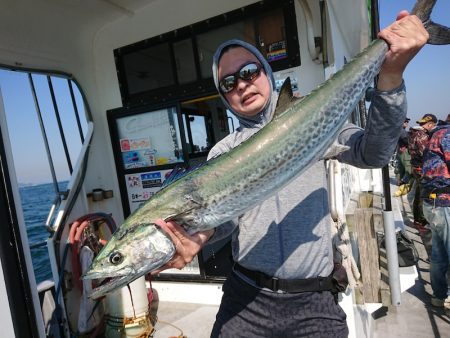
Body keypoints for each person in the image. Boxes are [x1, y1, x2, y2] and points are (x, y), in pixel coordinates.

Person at [153, 11, 428, 337]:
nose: (242, 83)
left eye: (249, 71)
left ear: (266, 73)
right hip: (247, 296)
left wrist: (391, 77)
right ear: (225, 97)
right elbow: (227, 221)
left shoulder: (312, 120)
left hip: (314, 299)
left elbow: (375, 153)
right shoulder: (223, 153)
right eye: (229, 82)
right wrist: (204, 232)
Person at [420, 123, 450, 309]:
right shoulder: (448, 135)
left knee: (439, 254)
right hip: (445, 203)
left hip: (432, 203)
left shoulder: (438, 133)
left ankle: (439, 297)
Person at [407, 113, 437, 233]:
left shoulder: (413, 133)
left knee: (418, 194)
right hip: (422, 168)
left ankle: (418, 221)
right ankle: (422, 221)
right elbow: (426, 154)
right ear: (430, 124)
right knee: (424, 195)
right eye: (432, 125)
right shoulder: (422, 136)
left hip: (416, 167)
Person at [394, 117, 412, 196]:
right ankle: (407, 184)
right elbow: (406, 140)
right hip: (404, 152)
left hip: (399, 151)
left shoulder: (397, 130)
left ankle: (399, 182)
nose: (406, 123)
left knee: (400, 168)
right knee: (408, 168)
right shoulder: (403, 131)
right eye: (405, 121)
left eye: (407, 121)